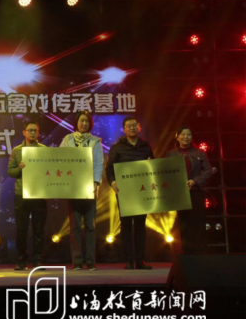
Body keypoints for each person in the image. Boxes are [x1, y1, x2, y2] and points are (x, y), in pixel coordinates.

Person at [105, 116, 155, 270]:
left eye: (134, 125)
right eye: (129, 125)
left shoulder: (146, 146)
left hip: (142, 190)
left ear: (139, 127)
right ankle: (128, 260)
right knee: (126, 225)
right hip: (124, 190)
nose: (132, 128)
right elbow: (109, 168)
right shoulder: (117, 147)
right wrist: (113, 183)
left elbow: (153, 165)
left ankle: (140, 260)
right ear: (124, 129)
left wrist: (151, 164)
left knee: (140, 225)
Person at [60, 111, 104, 271]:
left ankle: (90, 261)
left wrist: (96, 182)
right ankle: (77, 261)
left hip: (89, 188)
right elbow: (59, 159)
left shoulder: (95, 141)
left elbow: (99, 163)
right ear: (76, 123)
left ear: (90, 123)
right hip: (73, 187)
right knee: (75, 227)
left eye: (86, 121)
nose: (84, 123)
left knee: (90, 227)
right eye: (81, 121)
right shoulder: (67, 140)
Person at [7, 120, 47, 270]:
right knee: (21, 230)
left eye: (35, 130)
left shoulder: (44, 150)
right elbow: (10, 172)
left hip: (39, 193)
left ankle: (38, 259)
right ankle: (21, 259)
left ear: (38, 133)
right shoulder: (17, 151)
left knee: (39, 230)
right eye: (30, 130)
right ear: (24, 132)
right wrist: (19, 168)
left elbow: (50, 170)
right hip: (21, 194)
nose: (32, 133)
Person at [167, 126, 213, 254]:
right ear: (177, 137)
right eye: (183, 134)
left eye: (188, 135)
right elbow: (167, 172)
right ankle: (187, 255)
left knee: (198, 223)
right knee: (183, 224)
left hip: (196, 192)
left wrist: (195, 181)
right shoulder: (171, 154)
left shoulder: (200, 153)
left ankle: (200, 254)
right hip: (180, 193)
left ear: (192, 137)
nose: (185, 137)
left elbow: (209, 171)